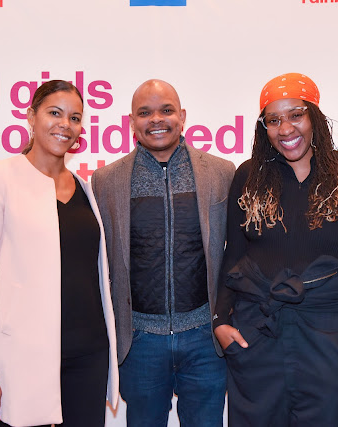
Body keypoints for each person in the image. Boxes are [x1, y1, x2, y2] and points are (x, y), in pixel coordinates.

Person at [213, 73, 338, 426]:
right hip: (257, 337)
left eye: (296, 115)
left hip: (331, 339)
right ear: (264, 128)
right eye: (273, 120)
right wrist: (220, 320)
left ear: (314, 116)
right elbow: (233, 256)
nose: (285, 129)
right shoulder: (249, 176)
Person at [0, 80, 119, 427]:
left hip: (89, 356)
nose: (65, 124)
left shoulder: (85, 188)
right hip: (24, 358)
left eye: (75, 118)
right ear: (31, 116)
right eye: (55, 113)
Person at [92, 79, 235, 427]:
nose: (156, 119)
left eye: (166, 110)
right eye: (145, 113)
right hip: (140, 342)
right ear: (131, 122)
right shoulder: (106, 181)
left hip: (205, 339)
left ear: (182, 116)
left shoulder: (222, 173)